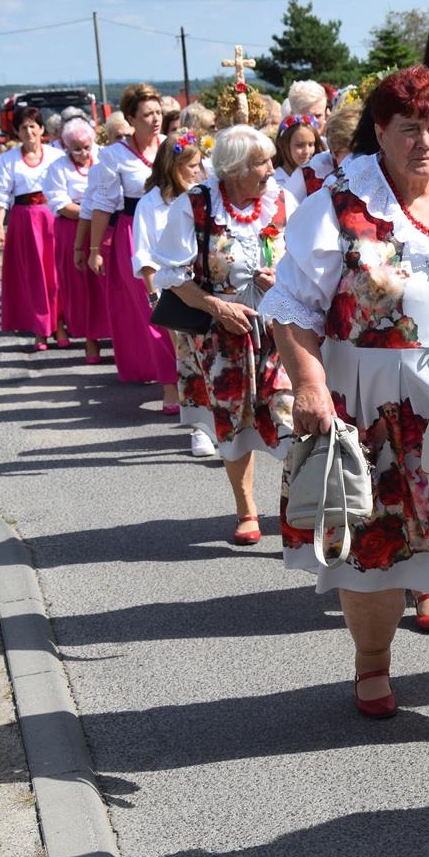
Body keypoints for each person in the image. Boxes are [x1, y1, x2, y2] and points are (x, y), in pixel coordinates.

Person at [261, 66, 429, 716]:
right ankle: (372, 662)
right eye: (410, 128)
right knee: (372, 548)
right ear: (380, 131)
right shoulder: (338, 202)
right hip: (365, 399)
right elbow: (292, 304)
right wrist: (308, 385)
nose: (425, 142)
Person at [153, 125, 294, 540]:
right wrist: (216, 306)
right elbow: (172, 276)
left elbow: (305, 260)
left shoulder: (283, 200)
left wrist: (281, 281)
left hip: (278, 330)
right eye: (260, 163)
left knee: (290, 415)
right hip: (220, 336)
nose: (271, 169)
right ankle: (246, 509)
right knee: (236, 423)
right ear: (233, 170)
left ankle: (297, 510)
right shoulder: (195, 206)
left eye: (270, 159)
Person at [86, 83, 180, 414]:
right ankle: (170, 386)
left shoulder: (172, 146)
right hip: (134, 233)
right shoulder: (115, 156)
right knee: (155, 311)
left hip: (174, 228)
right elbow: (102, 204)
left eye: (158, 113)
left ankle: (190, 379)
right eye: (147, 115)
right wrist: (95, 247)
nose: (155, 120)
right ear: (130, 118)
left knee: (185, 306)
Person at [132, 131, 217, 459]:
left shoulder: (205, 197)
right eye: (189, 165)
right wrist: (155, 298)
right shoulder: (151, 204)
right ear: (172, 166)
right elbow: (145, 256)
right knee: (188, 360)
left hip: (208, 288)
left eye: (199, 164)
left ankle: (222, 423)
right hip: (175, 293)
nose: (197, 171)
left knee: (214, 357)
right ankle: (199, 427)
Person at [0, 106, 66, 351]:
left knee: (56, 274)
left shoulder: (56, 156)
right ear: (17, 132)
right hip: (24, 221)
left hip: (53, 218)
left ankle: (61, 324)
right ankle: (40, 329)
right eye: (23, 127)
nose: (29, 131)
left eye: (33, 126)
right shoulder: (8, 159)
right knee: (35, 277)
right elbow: (1, 194)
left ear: (42, 129)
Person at [43, 117, 109, 361]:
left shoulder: (103, 159)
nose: (83, 153)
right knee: (81, 286)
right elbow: (60, 203)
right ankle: (90, 339)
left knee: (106, 284)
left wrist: (99, 212)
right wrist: (92, 210)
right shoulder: (57, 168)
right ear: (65, 146)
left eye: (87, 147)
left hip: (102, 225)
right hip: (72, 228)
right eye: (76, 149)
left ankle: (114, 333)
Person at [283, 101, 360, 203]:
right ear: (334, 151)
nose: (360, 159)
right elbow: (287, 209)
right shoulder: (310, 173)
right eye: (352, 153)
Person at [273, 113, 320, 191]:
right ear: (283, 145)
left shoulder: (319, 175)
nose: (307, 151)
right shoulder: (274, 181)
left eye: (311, 144)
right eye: (299, 145)